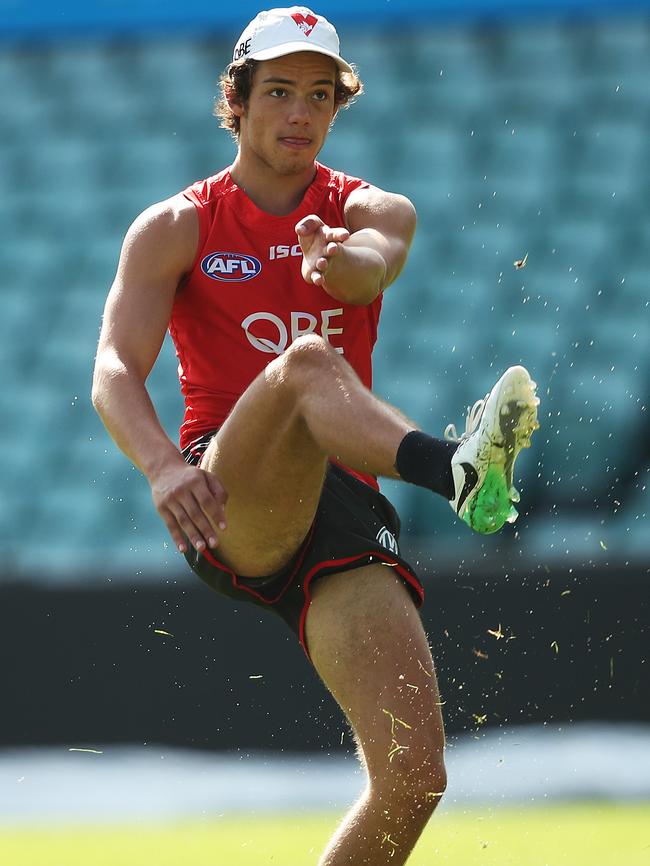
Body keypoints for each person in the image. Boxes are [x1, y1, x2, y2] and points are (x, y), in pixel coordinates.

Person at [92, 6, 539, 864]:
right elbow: (113, 366)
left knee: (415, 779)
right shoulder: (176, 226)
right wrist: (157, 467)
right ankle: (456, 471)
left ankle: (459, 472)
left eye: (321, 96)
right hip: (231, 485)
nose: (301, 112)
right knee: (303, 364)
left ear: (340, 108)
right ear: (239, 99)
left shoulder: (368, 207)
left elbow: (380, 255)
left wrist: (346, 263)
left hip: (339, 507)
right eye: (281, 91)